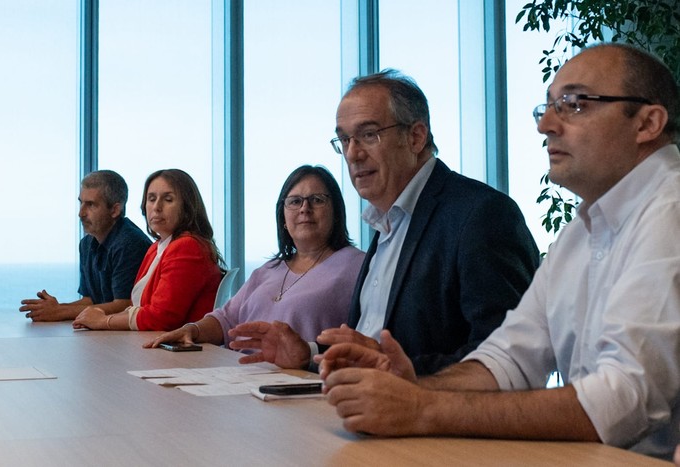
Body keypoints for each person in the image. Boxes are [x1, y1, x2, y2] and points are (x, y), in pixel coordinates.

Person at [318, 43, 680, 461]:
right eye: (545, 107)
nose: (545, 124)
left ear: (647, 123)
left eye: (574, 104)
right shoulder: (580, 235)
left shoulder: (669, 212)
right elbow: (507, 360)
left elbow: (621, 400)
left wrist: (423, 406)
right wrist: (412, 386)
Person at [228, 70, 540, 375]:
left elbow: (508, 359)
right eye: (344, 140)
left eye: (368, 135)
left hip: (428, 420)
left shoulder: (480, 215)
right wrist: (308, 353)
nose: (353, 154)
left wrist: (397, 371)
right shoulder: (387, 225)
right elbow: (369, 344)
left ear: (415, 137)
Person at [143, 165, 365, 350]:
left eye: (317, 200)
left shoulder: (357, 266)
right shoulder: (269, 269)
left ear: (337, 212)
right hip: (240, 376)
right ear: (284, 219)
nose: (305, 208)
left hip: (302, 383)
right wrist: (193, 329)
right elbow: (226, 319)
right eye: (295, 201)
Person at [73, 169, 224, 331]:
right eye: (151, 199)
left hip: (182, 351)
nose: (157, 207)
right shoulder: (156, 248)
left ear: (186, 207)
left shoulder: (188, 247)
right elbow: (137, 308)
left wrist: (103, 321)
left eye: (168, 199)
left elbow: (161, 317)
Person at [20, 170, 151, 321]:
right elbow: (91, 300)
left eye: (91, 205)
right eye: (81, 203)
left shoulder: (130, 243)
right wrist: (55, 308)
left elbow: (125, 305)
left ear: (115, 210)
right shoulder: (86, 244)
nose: (81, 213)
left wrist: (60, 312)